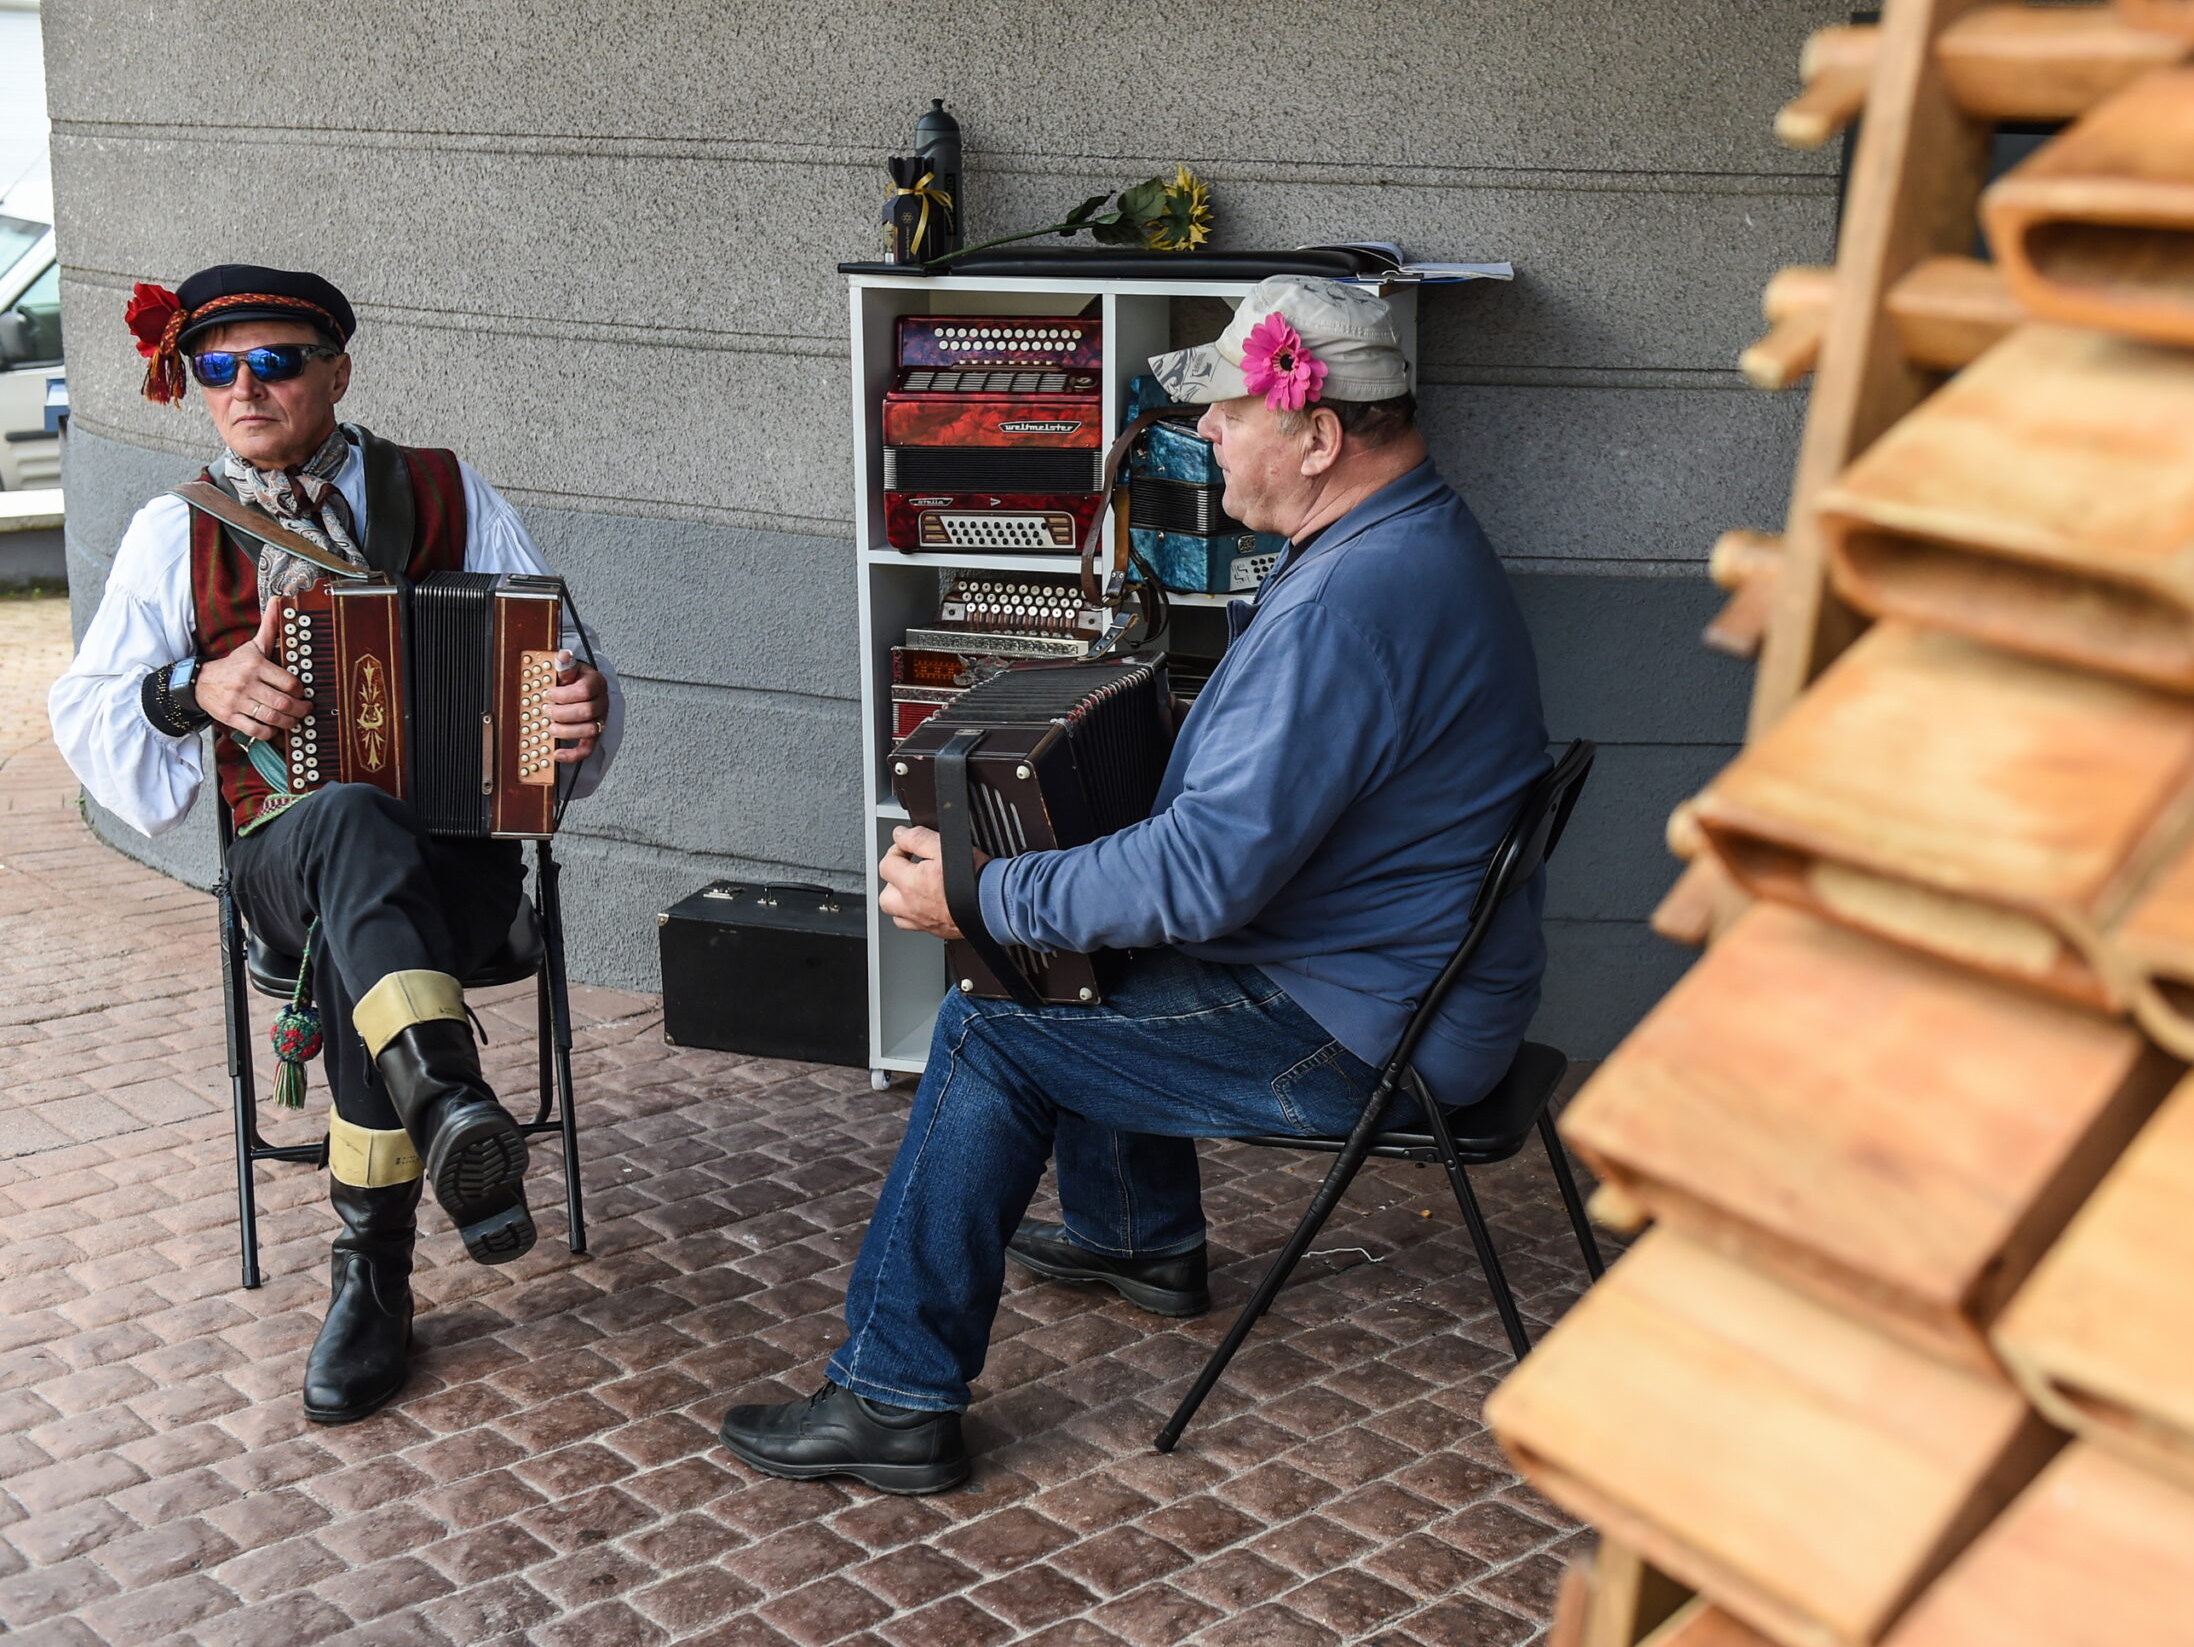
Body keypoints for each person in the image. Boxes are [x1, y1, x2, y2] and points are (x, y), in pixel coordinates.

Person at [720, 276, 1549, 1495]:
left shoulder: (1352, 599)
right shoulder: (1412, 537)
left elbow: (1204, 880)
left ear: (1318, 437)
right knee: (1082, 939)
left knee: (993, 1025)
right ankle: (1134, 1238)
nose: (1206, 430)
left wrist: (982, 895)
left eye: (1231, 410)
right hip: (1410, 984)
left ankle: (895, 1397)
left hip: (1369, 1031)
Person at [49, 265, 622, 1425]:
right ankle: (442, 1116)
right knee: (351, 827)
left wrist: (577, 701)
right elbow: (91, 713)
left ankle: (378, 1265)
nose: (243, 388)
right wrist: (194, 689)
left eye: (273, 363)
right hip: (283, 865)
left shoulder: (446, 491)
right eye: (216, 367)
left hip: (459, 867)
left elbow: (561, 654)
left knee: (373, 937)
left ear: (338, 372)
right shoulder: (176, 532)